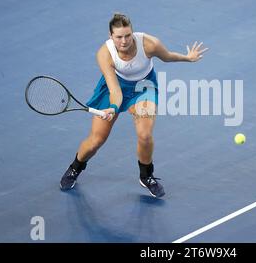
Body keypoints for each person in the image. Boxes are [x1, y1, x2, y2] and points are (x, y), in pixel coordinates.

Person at [59, 13, 208, 197]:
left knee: (145, 134)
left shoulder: (149, 44)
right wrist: (113, 108)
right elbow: (115, 91)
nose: (124, 41)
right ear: (110, 36)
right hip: (115, 89)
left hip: (144, 87)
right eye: (119, 37)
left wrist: (188, 57)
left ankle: (146, 175)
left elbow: (167, 57)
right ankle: (75, 167)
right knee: (96, 140)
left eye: (127, 35)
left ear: (133, 32)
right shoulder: (105, 54)